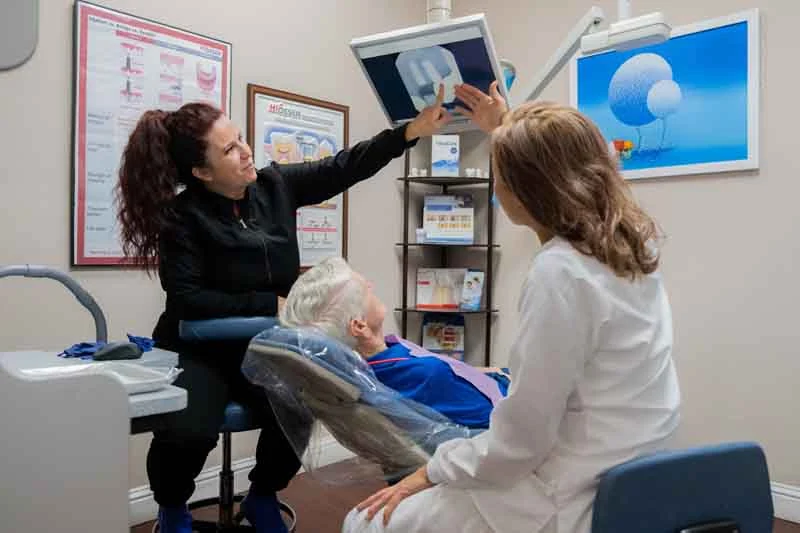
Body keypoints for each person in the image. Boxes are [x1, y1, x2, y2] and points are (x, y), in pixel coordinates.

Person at [342, 81, 681, 533]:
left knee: (363, 522)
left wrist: (430, 471)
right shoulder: (630, 247)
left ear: (525, 190)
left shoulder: (559, 272)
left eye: (499, 172)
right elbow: (559, 157)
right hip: (637, 470)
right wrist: (507, 126)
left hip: (572, 493)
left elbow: (520, 444)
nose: (495, 185)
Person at [115, 87, 450, 533]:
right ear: (201, 171)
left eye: (241, 138)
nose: (245, 151)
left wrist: (410, 132)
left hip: (267, 342)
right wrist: (268, 303)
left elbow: (344, 166)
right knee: (189, 430)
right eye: (230, 149)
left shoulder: (275, 186)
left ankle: (262, 494)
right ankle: (173, 508)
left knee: (302, 403)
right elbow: (188, 297)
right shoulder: (183, 217)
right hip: (200, 347)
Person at [278, 257, 510, 429]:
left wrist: (497, 372)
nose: (371, 285)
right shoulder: (423, 374)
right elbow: (501, 420)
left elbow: (462, 378)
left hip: (500, 384)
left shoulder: (380, 367)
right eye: (363, 289)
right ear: (359, 326)